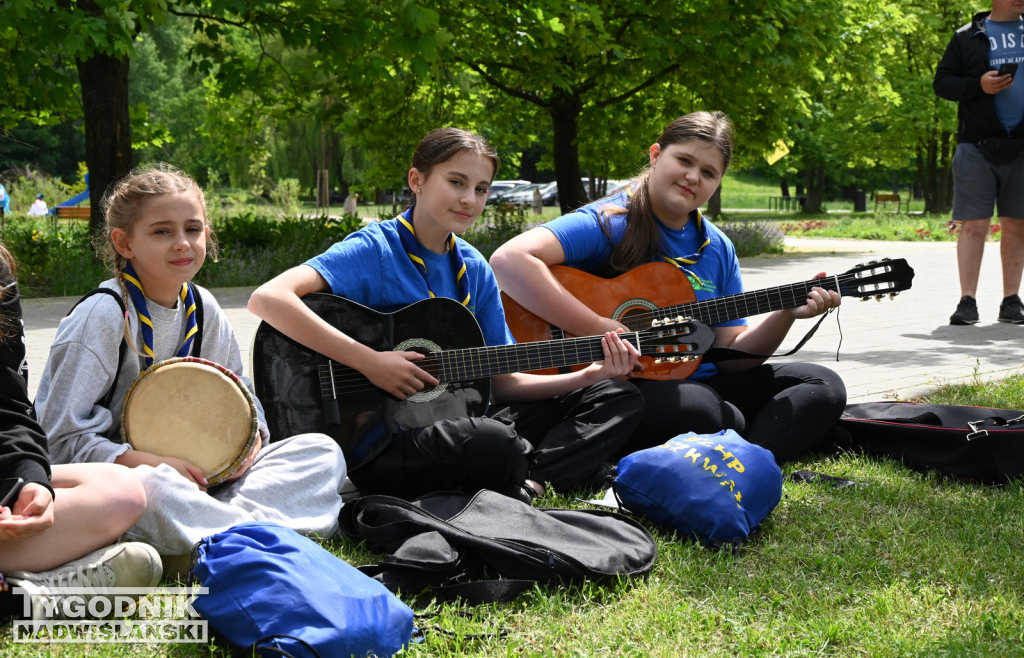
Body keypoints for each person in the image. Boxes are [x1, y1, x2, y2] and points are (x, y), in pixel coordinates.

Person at [248, 127, 644, 501]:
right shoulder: (377, 249)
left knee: (615, 394)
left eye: (481, 189)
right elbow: (269, 298)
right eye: (456, 182)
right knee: (496, 443)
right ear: (417, 180)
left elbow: (501, 384)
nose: (469, 199)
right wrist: (371, 362)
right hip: (381, 438)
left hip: (460, 416)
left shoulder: (474, 269)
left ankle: (533, 482)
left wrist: (589, 374)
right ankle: (536, 464)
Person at [490, 111, 847, 464]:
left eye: (708, 173)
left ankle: (753, 460)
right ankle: (751, 442)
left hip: (701, 380)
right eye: (684, 160)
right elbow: (509, 259)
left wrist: (786, 312)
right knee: (704, 411)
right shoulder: (612, 221)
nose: (693, 177)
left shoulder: (717, 246)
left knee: (822, 385)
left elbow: (731, 356)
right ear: (656, 155)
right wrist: (602, 329)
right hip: (622, 386)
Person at [34, 165, 346, 558]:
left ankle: (217, 532)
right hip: (130, 481)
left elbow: (244, 403)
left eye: (193, 229)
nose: (182, 243)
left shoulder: (203, 308)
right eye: (162, 231)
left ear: (207, 235)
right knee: (158, 491)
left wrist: (247, 447)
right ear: (123, 243)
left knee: (321, 452)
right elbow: (57, 443)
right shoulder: (104, 315)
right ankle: (246, 534)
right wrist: (152, 463)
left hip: (206, 481)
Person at [0, 243, 161, 618]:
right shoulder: (102, 311)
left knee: (121, 492)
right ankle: (28, 597)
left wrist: (31, 481)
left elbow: (8, 408)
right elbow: (65, 429)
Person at [934, 0, 1024, 326]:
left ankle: (1011, 301)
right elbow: (942, 83)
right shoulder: (965, 36)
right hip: (976, 145)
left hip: (1021, 148)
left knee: (1017, 225)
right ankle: (967, 301)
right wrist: (979, 86)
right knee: (974, 225)